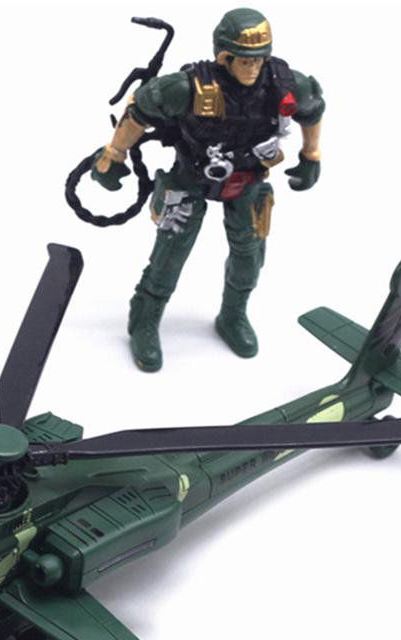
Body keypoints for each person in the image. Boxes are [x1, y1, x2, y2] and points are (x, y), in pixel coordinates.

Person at [91, 8, 325, 370]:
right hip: (192, 175)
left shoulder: (283, 84)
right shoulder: (189, 88)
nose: (252, 67)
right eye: (243, 60)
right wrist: (113, 155)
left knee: (249, 257)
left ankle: (233, 315)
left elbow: (313, 107)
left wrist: (311, 155)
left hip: (247, 178)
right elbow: (139, 109)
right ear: (224, 57)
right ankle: (144, 321)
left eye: (258, 59)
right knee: (170, 255)